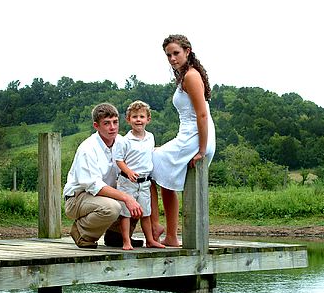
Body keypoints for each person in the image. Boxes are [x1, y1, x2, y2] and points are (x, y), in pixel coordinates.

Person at [151, 34, 216, 246]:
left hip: (196, 137)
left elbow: (202, 115)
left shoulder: (191, 76)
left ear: (187, 52)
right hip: (187, 135)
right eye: (168, 55)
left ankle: (157, 226)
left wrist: (202, 150)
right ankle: (170, 235)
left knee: (149, 163)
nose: (172, 58)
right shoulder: (183, 76)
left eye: (176, 53)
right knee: (159, 171)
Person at [63, 103, 143, 248]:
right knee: (113, 207)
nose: (112, 127)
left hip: (106, 195)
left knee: (139, 193)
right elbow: (94, 186)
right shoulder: (88, 149)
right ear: (96, 126)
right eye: (106, 123)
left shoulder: (122, 142)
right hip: (78, 198)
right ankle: (82, 233)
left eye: (115, 122)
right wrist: (126, 197)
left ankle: (116, 237)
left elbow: (139, 158)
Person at [114, 101, 165, 250]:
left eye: (142, 116)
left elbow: (150, 153)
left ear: (148, 119)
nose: (138, 120)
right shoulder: (124, 141)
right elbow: (119, 160)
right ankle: (126, 241)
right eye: (134, 116)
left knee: (145, 213)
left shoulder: (150, 137)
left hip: (144, 182)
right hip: (127, 181)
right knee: (126, 213)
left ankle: (150, 240)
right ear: (128, 120)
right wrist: (128, 171)